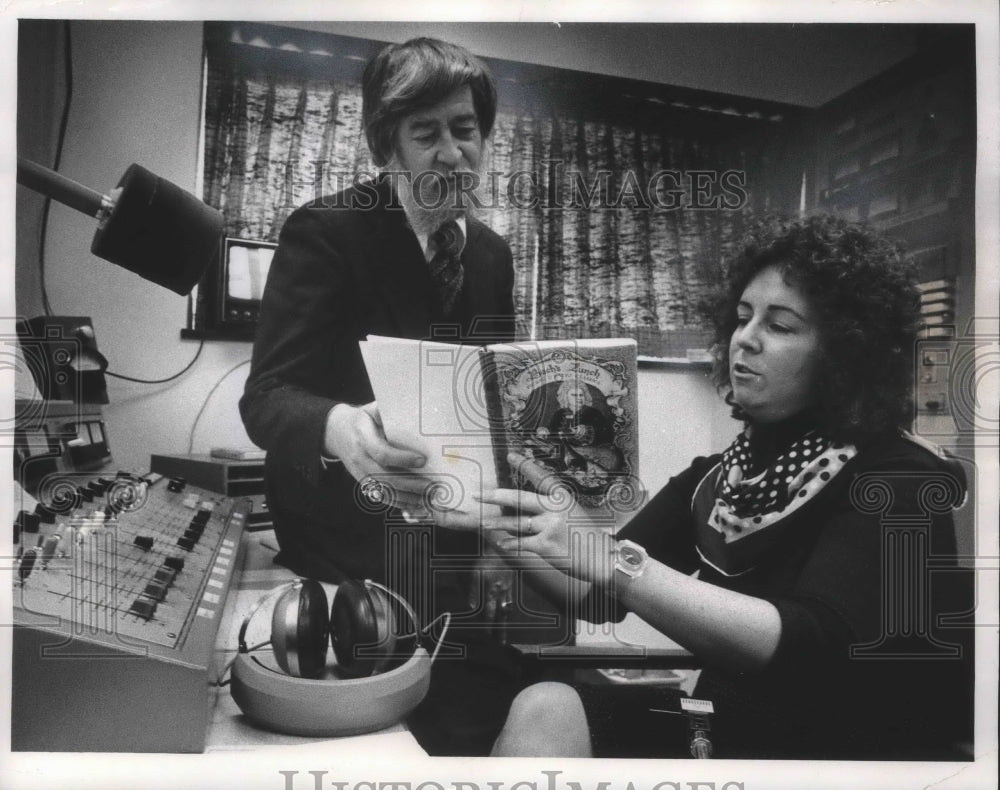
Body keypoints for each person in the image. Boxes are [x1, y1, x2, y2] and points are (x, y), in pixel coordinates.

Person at [437, 215, 973, 759]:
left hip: (841, 755)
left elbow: (810, 643)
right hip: (731, 732)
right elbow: (596, 598)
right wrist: (498, 522)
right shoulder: (717, 475)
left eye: (781, 326)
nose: (747, 338)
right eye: (743, 318)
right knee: (544, 705)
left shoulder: (900, 479)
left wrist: (614, 562)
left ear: (846, 354)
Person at [240, 37, 534, 756]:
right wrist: (341, 428)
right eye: (424, 132)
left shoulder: (493, 256)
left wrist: (499, 545)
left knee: (467, 714)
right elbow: (268, 396)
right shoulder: (326, 232)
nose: (450, 151)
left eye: (464, 130)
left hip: (450, 547)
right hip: (341, 547)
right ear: (388, 144)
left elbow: (492, 411)